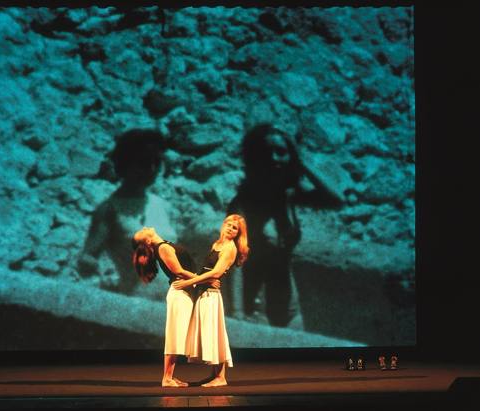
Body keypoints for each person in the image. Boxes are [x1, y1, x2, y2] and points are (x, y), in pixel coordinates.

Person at [227, 124, 341, 328]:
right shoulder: (244, 204)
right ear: (255, 158)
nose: (273, 158)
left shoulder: (289, 196)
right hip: (254, 309)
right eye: (266, 153)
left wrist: (301, 162)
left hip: (290, 310)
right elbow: (233, 262)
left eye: (281, 152)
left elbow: (336, 199)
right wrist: (237, 314)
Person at [75, 129, 176, 294]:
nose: (151, 169)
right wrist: (100, 276)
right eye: (144, 163)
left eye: (156, 162)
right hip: (138, 305)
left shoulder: (162, 206)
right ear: (126, 164)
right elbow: (87, 257)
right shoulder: (109, 210)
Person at [132, 226, 220, 387]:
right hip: (180, 293)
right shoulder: (163, 247)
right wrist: (205, 279)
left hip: (184, 292)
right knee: (175, 335)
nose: (144, 226)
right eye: (142, 231)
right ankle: (167, 378)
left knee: (178, 335)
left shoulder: (164, 245)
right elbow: (178, 270)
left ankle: (169, 376)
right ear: (148, 240)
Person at [172, 214, 249, 387]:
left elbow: (216, 273)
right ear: (223, 225)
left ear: (238, 233)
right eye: (228, 224)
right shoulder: (217, 244)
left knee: (215, 334)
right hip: (203, 292)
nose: (230, 228)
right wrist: (198, 281)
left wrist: (189, 282)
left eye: (234, 227)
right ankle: (215, 375)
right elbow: (208, 272)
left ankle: (221, 378)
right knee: (209, 334)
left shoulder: (230, 248)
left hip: (211, 297)